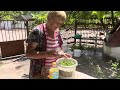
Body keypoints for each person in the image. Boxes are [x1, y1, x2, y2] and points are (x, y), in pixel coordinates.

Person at [26, 11, 72, 79]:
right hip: (39, 74)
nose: (58, 25)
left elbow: (58, 48)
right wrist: (47, 54)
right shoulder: (37, 31)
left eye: (60, 23)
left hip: (54, 71)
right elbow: (28, 53)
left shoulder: (57, 31)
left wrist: (61, 53)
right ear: (49, 18)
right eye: (57, 22)